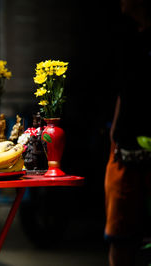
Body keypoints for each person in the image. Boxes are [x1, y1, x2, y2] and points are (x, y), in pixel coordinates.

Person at [104, 0, 151, 265]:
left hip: (144, 150)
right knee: (120, 238)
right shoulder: (129, 37)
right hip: (123, 153)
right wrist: (115, 134)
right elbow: (124, 91)